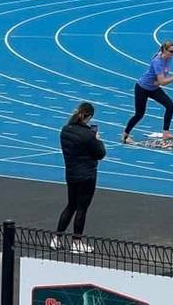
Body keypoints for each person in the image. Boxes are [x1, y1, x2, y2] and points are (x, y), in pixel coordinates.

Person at [51, 101, 106, 253]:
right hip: (87, 175)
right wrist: (98, 140)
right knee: (82, 209)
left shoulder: (65, 130)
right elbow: (100, 153)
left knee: (71, 205)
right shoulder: (88, 135)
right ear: (88, 116)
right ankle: (77, 242)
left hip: (71, 173)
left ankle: (57, 238)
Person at [122, 40, 173, 143]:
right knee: (139, 114)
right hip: (142, 88)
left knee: (170, 105)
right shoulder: (157, 61)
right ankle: (125, 136)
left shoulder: (167, 57)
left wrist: (157, 82)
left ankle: (165, 133)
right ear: (164, 50)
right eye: (171, 51)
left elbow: (161, 78)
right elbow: (163, 82)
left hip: (153, 88)